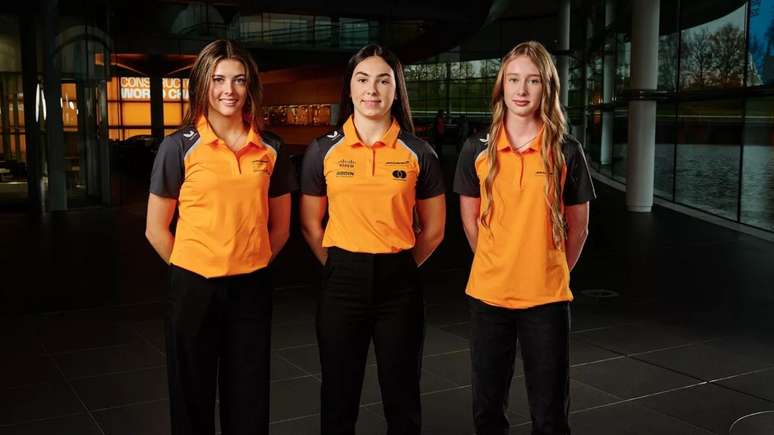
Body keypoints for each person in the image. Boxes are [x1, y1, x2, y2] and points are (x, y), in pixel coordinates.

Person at [145, 39, 296, 435]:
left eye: (238, 80)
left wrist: (251, 261)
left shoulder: (271, 148)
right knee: (191, 397)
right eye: (218, 79)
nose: (229, 90)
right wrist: (193, 268)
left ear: (250, 86)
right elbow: (155, 229)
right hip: (193, 287)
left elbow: (281, 228)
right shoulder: (178, 147)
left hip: (251, 289)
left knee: (248, 398)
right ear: (202, 84)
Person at [299, 44, 446, 435]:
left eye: (384, 81)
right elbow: (311, 224)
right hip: (341, 282)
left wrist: (399, 267)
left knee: (402, 396)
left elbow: (434, 229)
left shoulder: (419, 152)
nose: (372, 90)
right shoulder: (323, 150)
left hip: (399, 284)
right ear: (349, 88)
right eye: (362, 79)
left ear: (397, 90)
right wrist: (338, 266)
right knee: (338, 396)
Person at [453, 41, 596, 435]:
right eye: (513, 79)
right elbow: (470, 223)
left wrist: (549, 270)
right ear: (501, 85)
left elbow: (579, 228)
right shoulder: (476, 149)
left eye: (532, 81)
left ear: (546, 87)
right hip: (488, 296)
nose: (521, 90)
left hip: (546, 300)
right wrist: (498, 265)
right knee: (487, 412)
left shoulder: (567, 150)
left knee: (550, 415)